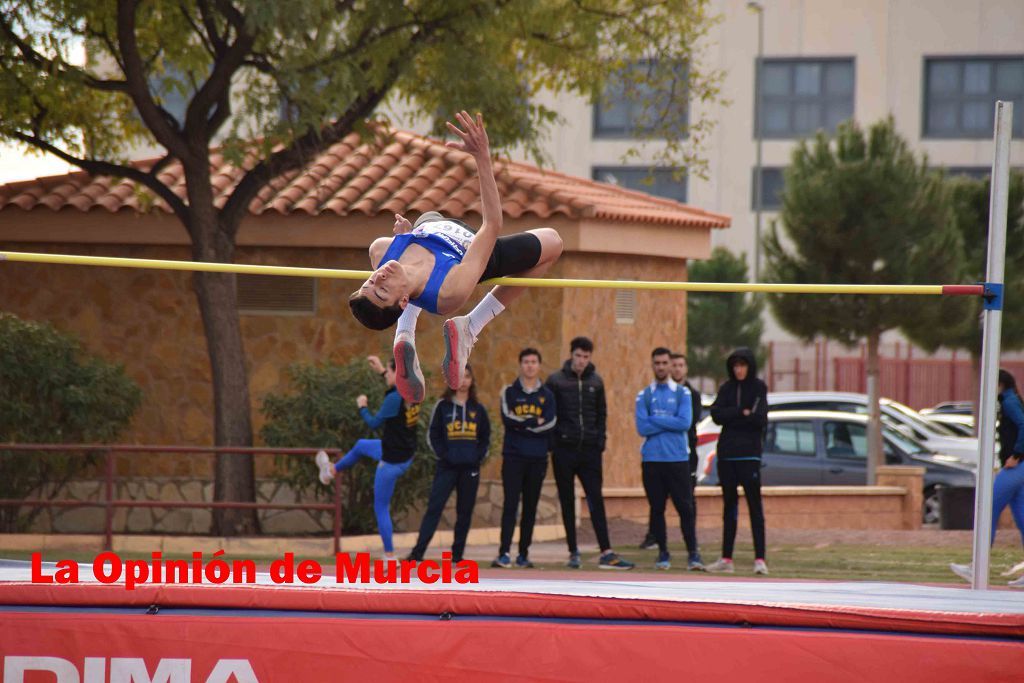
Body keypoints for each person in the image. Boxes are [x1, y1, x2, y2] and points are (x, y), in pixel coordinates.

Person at [348, 111, 563, 404]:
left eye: (372, 280)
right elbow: (491, 225)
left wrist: (405, 237)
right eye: (382, 289)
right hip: (474, 250)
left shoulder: (381, 251)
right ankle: (471, 326)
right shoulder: (450, 290)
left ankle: (404, 333)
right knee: (553, 242)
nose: (380, 276)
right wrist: (482, 157)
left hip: (433, 224)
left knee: (427, 217)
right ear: (401, 301)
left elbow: (390, 274)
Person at [315, 357, 419, 560]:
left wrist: (362, 406)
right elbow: (395, 379)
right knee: (362, 445)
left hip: (391, 460)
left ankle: (389, 555)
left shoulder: (393, 399)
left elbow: (373, 423)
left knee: (381, 507)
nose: (386, 375)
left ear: (396, 375)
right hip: (404, 451)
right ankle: (331, 471)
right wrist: (382, 370)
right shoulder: (413, 390)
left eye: (388, 372)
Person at [546, 336, 634, 570]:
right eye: (578, 356)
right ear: (571, 354)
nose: (581, 361)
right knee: (567, 501)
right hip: (564, 450)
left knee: (595, 499)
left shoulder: (596, 381)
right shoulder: (556, 381)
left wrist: (600, 441)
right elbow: (548, 414)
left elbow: (602, 414)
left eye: (586, 357)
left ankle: (607, 551)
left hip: (590, 452)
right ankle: (573, 552)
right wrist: (554, 444)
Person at [407, 365, 490, 564]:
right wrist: (444, 455)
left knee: (464, 512)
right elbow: (432, 435)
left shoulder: (478, 409)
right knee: (434, 509)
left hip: (470, 468)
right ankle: (417, 554)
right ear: (453, 380)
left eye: (467, 376)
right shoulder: (442, 406)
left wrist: (476, 458)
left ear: (472, 381)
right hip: (447, 467)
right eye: (460, 377)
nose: (463, 381)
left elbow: (485, 438)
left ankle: (457, 557)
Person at [950, 368, 1024, 588]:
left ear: (999, 383)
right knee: (1021, 517)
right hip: (1019, 467)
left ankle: (977, 566)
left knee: (988, 510)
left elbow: (1023, 425)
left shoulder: (1010, 402)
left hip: (1016, 467)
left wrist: (1017, 455)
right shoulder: (1010, 400)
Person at [635, 348, 704, 571]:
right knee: (657, 509)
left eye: (665, 362)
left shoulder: (683, 394)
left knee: (685, 507)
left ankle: (693, 553)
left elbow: (684, 422)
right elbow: (641, 427)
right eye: (657, 363)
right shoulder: (644, 395)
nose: (662, 367)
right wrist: (667, 420)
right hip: (652, 460)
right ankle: (663, 552)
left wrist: (656, 419)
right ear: (652, 365)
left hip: (677, 459)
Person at [492, 348, 557, 569]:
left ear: (539, 365)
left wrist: (522, 424)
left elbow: (549, 423)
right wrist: (532, 422)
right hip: (513, 457)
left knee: (530, 507)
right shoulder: (509, 391)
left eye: (533, 362)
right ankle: (503, 554)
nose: (530, 365)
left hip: (537, 459)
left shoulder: (547, 395)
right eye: (526, 362)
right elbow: (508, 420)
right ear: (520, 365)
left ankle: (523, 554)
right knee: (510, 505)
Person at [706, 347, 769, 575]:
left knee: (755, 508)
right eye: (735, 365)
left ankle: (760, 559)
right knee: (729, 507)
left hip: (749, 455)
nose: (739, 369)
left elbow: (759, 419)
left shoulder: (759, 387)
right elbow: (716, 414)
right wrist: (739, 413)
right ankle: (726, 558)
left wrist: (740, 416)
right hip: (727, 456)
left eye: (742, 365)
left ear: (749, 366)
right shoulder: (726, 388)